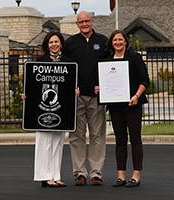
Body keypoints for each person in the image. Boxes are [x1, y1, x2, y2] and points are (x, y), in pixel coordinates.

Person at [95, 30, 149, 187]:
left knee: (135, 139)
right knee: (120, 140)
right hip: (115, 106)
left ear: (125, 41)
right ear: (111, 43)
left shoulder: (134, 58)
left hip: (133, 104)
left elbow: (145, 81)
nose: (117, 42)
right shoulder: (107, 61)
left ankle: (136, 175)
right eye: (115, 40)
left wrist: (136, 96)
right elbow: (104, 82)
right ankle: (121, 176)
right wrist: (101, 89)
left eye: (120, 39)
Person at [63, 11, 109, 186]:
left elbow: (110, 67)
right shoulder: (70, 43)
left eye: (87, 21)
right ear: (77, 24)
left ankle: (96, 173)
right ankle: (79, 173)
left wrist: (104, 85)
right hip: (77, 97)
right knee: (76, 136)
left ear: (92, 21)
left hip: (97, 97)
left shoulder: (103, 41)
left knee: (97, 135)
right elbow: (65, 68)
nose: (84, 24)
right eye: (81, 22)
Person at [22, 31, 71, 188]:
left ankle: (56, 175)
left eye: (56, 42)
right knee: (44, 142)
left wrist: (74, 90)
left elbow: (70, 84)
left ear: (61, 43)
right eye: (51, 42)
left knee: (57, 142)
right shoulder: (39, 62)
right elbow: (32, 86)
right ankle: (44, 176)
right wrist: (26, 95)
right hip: (42, 110)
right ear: (46, 45)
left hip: (61, 110)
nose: (54, 45)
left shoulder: (68, 62)